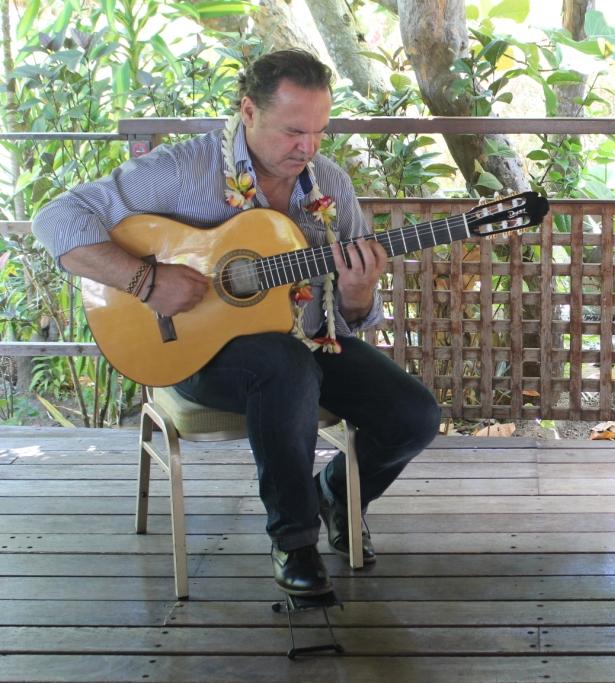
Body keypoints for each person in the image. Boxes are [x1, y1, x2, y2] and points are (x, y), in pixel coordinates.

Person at [32, 49, 441, 597]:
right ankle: (294, 542)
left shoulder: (330, 187)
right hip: (192, 351)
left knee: (413, 414)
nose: (309, 147)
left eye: (320, 132)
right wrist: (147, 283)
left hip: (309, 341)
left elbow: (346, 320)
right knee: (284, 366)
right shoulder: (182, 172)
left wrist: (358, 291)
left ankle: (337, 493)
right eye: (294, 131)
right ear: (248, 111)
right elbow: (55, 219)